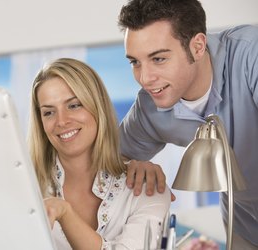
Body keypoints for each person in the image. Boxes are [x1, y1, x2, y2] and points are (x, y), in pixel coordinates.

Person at [117, 0, 258, 249]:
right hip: (245, 229)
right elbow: (107, 162)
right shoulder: (149, 108)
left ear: (198, 46)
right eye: (134, 62)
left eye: (158, 59)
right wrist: (132, 165)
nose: (145, 78)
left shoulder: (251, 55)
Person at [28, 58, 171, 249]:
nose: (61, 121)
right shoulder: (28, 189)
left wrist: (65, 213)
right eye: (49, 112)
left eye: (74, 105)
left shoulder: (146, 188)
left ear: (98, 107)